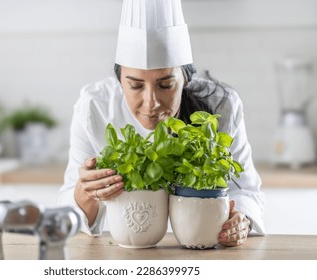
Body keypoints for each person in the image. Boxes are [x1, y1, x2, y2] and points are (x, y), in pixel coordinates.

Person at [57, 0, 265, 247]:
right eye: (135, 85)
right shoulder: (94, 106)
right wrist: (85, 194)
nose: (151, 103)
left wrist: (241, 220)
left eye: (165, 85)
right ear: (120, 80)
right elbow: (68, 213)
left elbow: (246, 191)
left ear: (185, 79)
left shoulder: (222, 106)